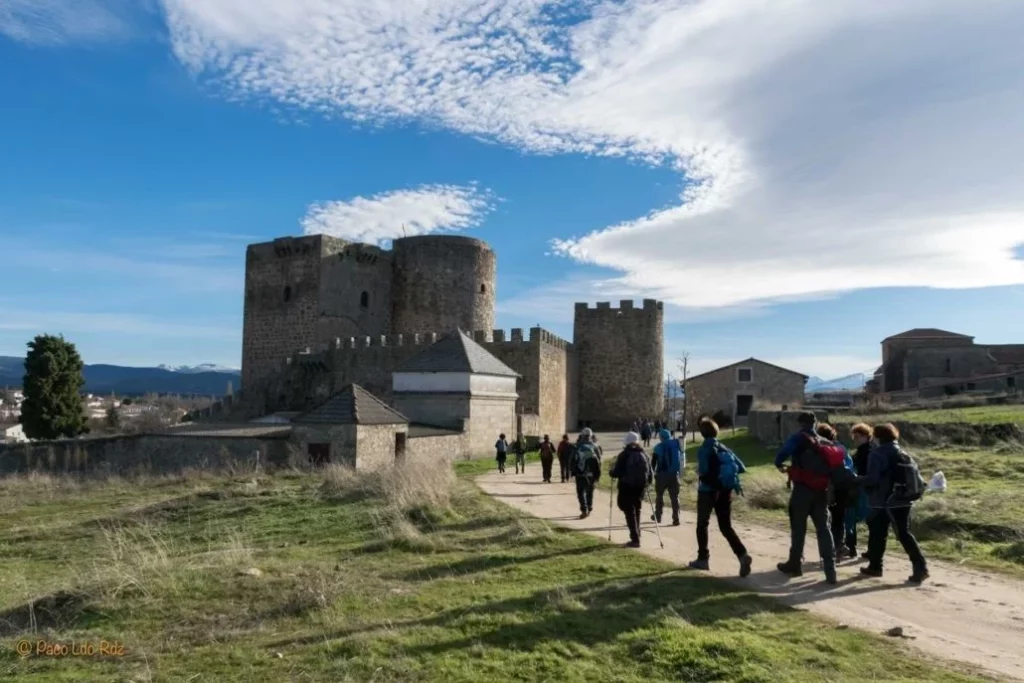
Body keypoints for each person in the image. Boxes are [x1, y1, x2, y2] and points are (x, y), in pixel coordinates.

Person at [860, 423, 929, 583]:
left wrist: (857, 480)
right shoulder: (903, 453)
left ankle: (876, 567)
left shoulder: (876, 454)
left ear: (877, 437)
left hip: (883, 501)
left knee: (878, 533)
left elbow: (872, 479)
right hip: (903, 500)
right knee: (904, 534)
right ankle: (920, 567)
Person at [775, 412, 837, 584]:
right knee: (824, 530)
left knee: (798, 528)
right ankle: (830, 571)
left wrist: (779, 464)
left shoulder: (798, 438)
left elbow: (782, 454)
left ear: (800, 423)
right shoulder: (825, 442)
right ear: (815, 423)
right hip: (822, 491)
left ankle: (795, 564)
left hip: (802, 489)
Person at [689, 418, 753, 576]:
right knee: (726, 526)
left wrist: (701, 471)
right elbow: (741, 467)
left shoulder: (704, 449)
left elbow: (703, 470)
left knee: (702, 524)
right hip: (725, 491)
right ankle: (742, 554)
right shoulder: (725, 449)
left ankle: (703, 559)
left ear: (702, 433)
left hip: (707, 491)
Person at [816, 423, 856, 560]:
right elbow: (850, 468)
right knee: (839, 519)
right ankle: (839, 547)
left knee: (824, 520)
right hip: (842, 487)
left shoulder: (818, 449)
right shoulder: (841, 448)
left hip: (824, 488)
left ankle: (827, 549)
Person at [610, 432, 652, 548]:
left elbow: (617, 472)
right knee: (636, 509)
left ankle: (635, 539)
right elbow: (650, 472)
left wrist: (611, 472)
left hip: (626, 486)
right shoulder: (644, 454)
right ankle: (637, 533)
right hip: (640, 487)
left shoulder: (624, 455)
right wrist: (648, 483)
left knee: (628, 510)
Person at [846, 422, 873, 558]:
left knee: (851, 517)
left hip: (863, 490)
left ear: (866, 436)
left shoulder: (866, 453)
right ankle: (869, 549)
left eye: (858, 436)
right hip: (868, 489)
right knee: (870, 521)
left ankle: (851, 547)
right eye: (854, 437)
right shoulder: (863, 452)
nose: (855, 439)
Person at [651, 428, 684, 525]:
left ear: (661, 437)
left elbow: (653, 462)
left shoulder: (658, 447)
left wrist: (652, 473)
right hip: (674, 474)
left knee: (659, 495)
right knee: (675, 497)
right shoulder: (676, 444)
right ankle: (676, 518)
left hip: (662, 474)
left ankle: (658, 515)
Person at [570, 428, 602, 518]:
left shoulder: (577, 446)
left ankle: (584, 510)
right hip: (592, 474)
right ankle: (589, 508)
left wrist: (572, 471)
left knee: (581, 492)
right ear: (591, 436)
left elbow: (572, 460)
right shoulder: (595, 446)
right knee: (590, 491)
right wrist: (598, 474)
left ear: (582, 435)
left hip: (580, 473)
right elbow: (599, 461)